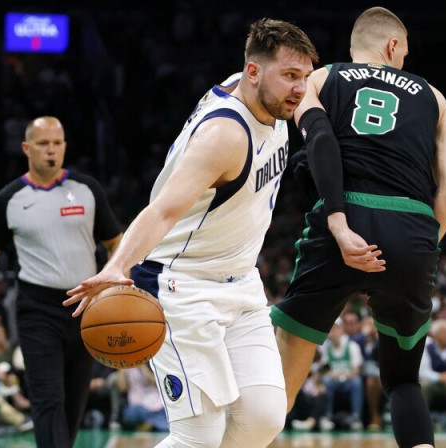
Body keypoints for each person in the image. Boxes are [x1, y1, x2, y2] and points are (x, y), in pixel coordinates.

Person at [64, 19, 317, 448]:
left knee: (263, 417)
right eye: (290, 76)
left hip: (240, 283)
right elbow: (161, 211)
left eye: (305, 77)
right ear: (253, 74)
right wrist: (117, 267)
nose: (300, 88)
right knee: (199, 434)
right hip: (182, 286)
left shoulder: (264, 95)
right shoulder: (224, 136)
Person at [270, 7, 446, 448]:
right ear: (393, 46)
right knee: (402, 381)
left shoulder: (322, 78)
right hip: (413, 228)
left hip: (345, 216)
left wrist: (339, 218)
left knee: (282, 384)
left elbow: (318, 141)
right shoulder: (436, 97)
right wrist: (423, 243)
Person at [0, 116, 123, 448]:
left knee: (72, 406)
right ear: (26, 148)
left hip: (85, 307)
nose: (51, 150)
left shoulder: (88, 191)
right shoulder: (9, 200)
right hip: (37, 309)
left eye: (57, 143)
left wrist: (111, 287)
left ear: (65, 146)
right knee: (48, 400)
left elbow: (118, 245)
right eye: (43, 143)